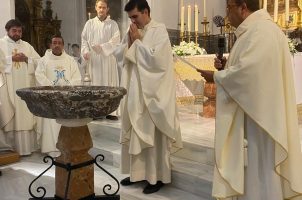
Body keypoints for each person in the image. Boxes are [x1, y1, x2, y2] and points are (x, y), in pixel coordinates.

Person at [197, 0, 302, 199]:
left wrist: (216, 76)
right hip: (260, 112)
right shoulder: (256, 30)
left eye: (229, 8)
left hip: (264, 119)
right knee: (259, 165)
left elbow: (251, 73)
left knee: (264, 167)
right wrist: (228, 66)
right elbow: (252, 68)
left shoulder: (261, 31)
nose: (227, 15)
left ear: (242, 7)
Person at [114, 0, 182, 194]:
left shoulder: (159, 30)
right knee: (136, 130)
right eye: (130, 18)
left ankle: (156, 177)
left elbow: (158, 62)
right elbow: (121, 55)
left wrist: (136, 42)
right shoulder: (132, 31)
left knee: (152, 135)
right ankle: (137, 174)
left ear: (146, 12)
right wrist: (130, 42)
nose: (133, 22)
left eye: (135, 17)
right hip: (136, 90)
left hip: (153, 94)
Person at [35, 34, 82, 157]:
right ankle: (50, 149)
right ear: (50, 45)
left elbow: (77, 78)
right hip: (49, 97)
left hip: (66, 98)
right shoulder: (43, 60)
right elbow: (39, 76)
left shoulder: (70, 60)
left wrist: (67, 87)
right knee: (50, 123)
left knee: (64, 123)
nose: (56, 45)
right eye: (54, 43)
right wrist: (52, 87)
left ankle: (66, 147)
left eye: (59, 43)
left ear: (62, 45)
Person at [0, 19, 40, 155]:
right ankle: (10, 148)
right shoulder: (1, 44)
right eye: (14, 30)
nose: (17, 33)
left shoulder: (27, 46)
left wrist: (27, 59)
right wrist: (11, 59)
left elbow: (39, 62)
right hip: (8, 87)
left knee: (25, 114)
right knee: (11, 112)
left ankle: (28, 148)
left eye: (19, 31)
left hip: (25, 85)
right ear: (7, 30)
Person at [81, 0, 120, 120]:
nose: (101, 10)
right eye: (99, 7)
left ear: (107, 9)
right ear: (95, 8)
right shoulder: (89, 23)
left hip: (107, 58)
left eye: (104, 7)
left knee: (109, 84)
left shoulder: (113, 24)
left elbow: (116, 40)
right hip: (94, 60)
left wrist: (102, 47)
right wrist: (85, 52)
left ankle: (111, 111)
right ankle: (95, 111)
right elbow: (84, 40)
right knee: (96, 84)